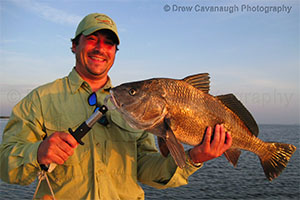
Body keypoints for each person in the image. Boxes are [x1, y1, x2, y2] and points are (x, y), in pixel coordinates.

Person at [0, 13, 232, 199]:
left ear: (114, 52)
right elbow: (5, 166)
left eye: (109, 43)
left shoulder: (139, 105)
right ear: (74, 45)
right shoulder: (39, 99)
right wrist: (37, 153)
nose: (101, 48)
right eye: (92, 39)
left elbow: (148, 170)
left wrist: (194, 157)